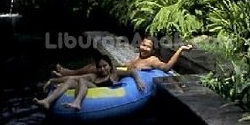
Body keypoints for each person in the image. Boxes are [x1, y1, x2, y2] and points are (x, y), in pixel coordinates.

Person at [33, 53, 145, 111]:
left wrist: (138, 80)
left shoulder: (114, 74)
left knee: (82, 80)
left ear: (110, 66)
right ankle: (47, 101)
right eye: (99, 67)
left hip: (104, 95)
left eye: (105, 66)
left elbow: (132, 72)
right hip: (92, 87)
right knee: (73, 80)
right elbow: (72, 78)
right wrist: (53, 80)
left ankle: (77, 102)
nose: (102, 69)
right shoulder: (94, 76)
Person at [53, 37, 193, 77]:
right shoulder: (137, 58)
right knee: (95, 65)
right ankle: (67, 75)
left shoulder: (152, 60)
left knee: (94, 69)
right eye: (143, 45)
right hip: (119, 74)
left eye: (147, 47)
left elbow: (167, 67)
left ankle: (68, 73)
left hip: (126, 79)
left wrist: (180, 50)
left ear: (153, 50)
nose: (143, 48)